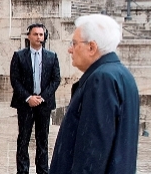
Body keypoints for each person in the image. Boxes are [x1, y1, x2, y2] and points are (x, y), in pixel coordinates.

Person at [49, 14, 140, 174]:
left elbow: (92, 151)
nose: (70, 49)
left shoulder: (101, 79)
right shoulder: (122, 74)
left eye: (74, 43)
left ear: (91, 47)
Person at [9, 23, 61, 174]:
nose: (39, 37)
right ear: (29, 36)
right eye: (36, 34)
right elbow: (15, 80)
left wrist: (42, 97)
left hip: (44, 105)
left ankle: (43, 171)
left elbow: (56, 80)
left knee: (43, 140)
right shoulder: (19, 56)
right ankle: (23, 170)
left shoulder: (52, 56)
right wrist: (28, 97)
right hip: (25, 104)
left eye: (41, 34)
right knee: (23, 139)